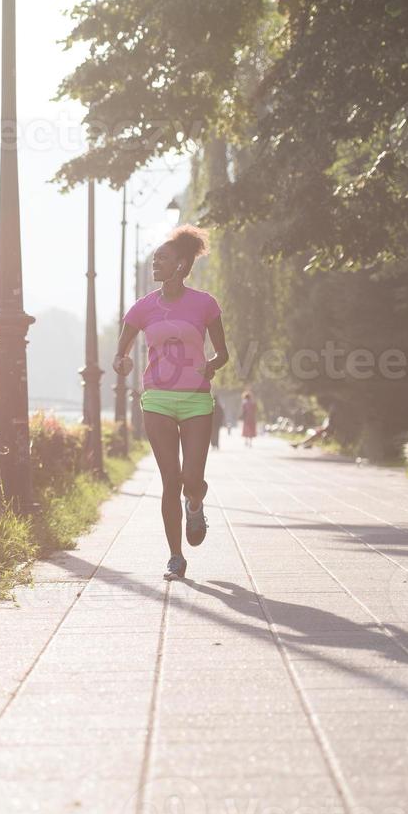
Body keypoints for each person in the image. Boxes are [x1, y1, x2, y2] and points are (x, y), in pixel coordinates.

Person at [113, 226, 230, 581]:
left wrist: (211, 365)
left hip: (196, 400)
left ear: (181, 264)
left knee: (192, 478)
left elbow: (223, 353)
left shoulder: (205, 304)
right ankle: (175, 557)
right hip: (158, 400)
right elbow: (120, 354)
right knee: (170, 481)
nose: (155, 263)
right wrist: (123, 363)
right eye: (154, 259)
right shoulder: (143, 307)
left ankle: (196, 504)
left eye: (162, 258)